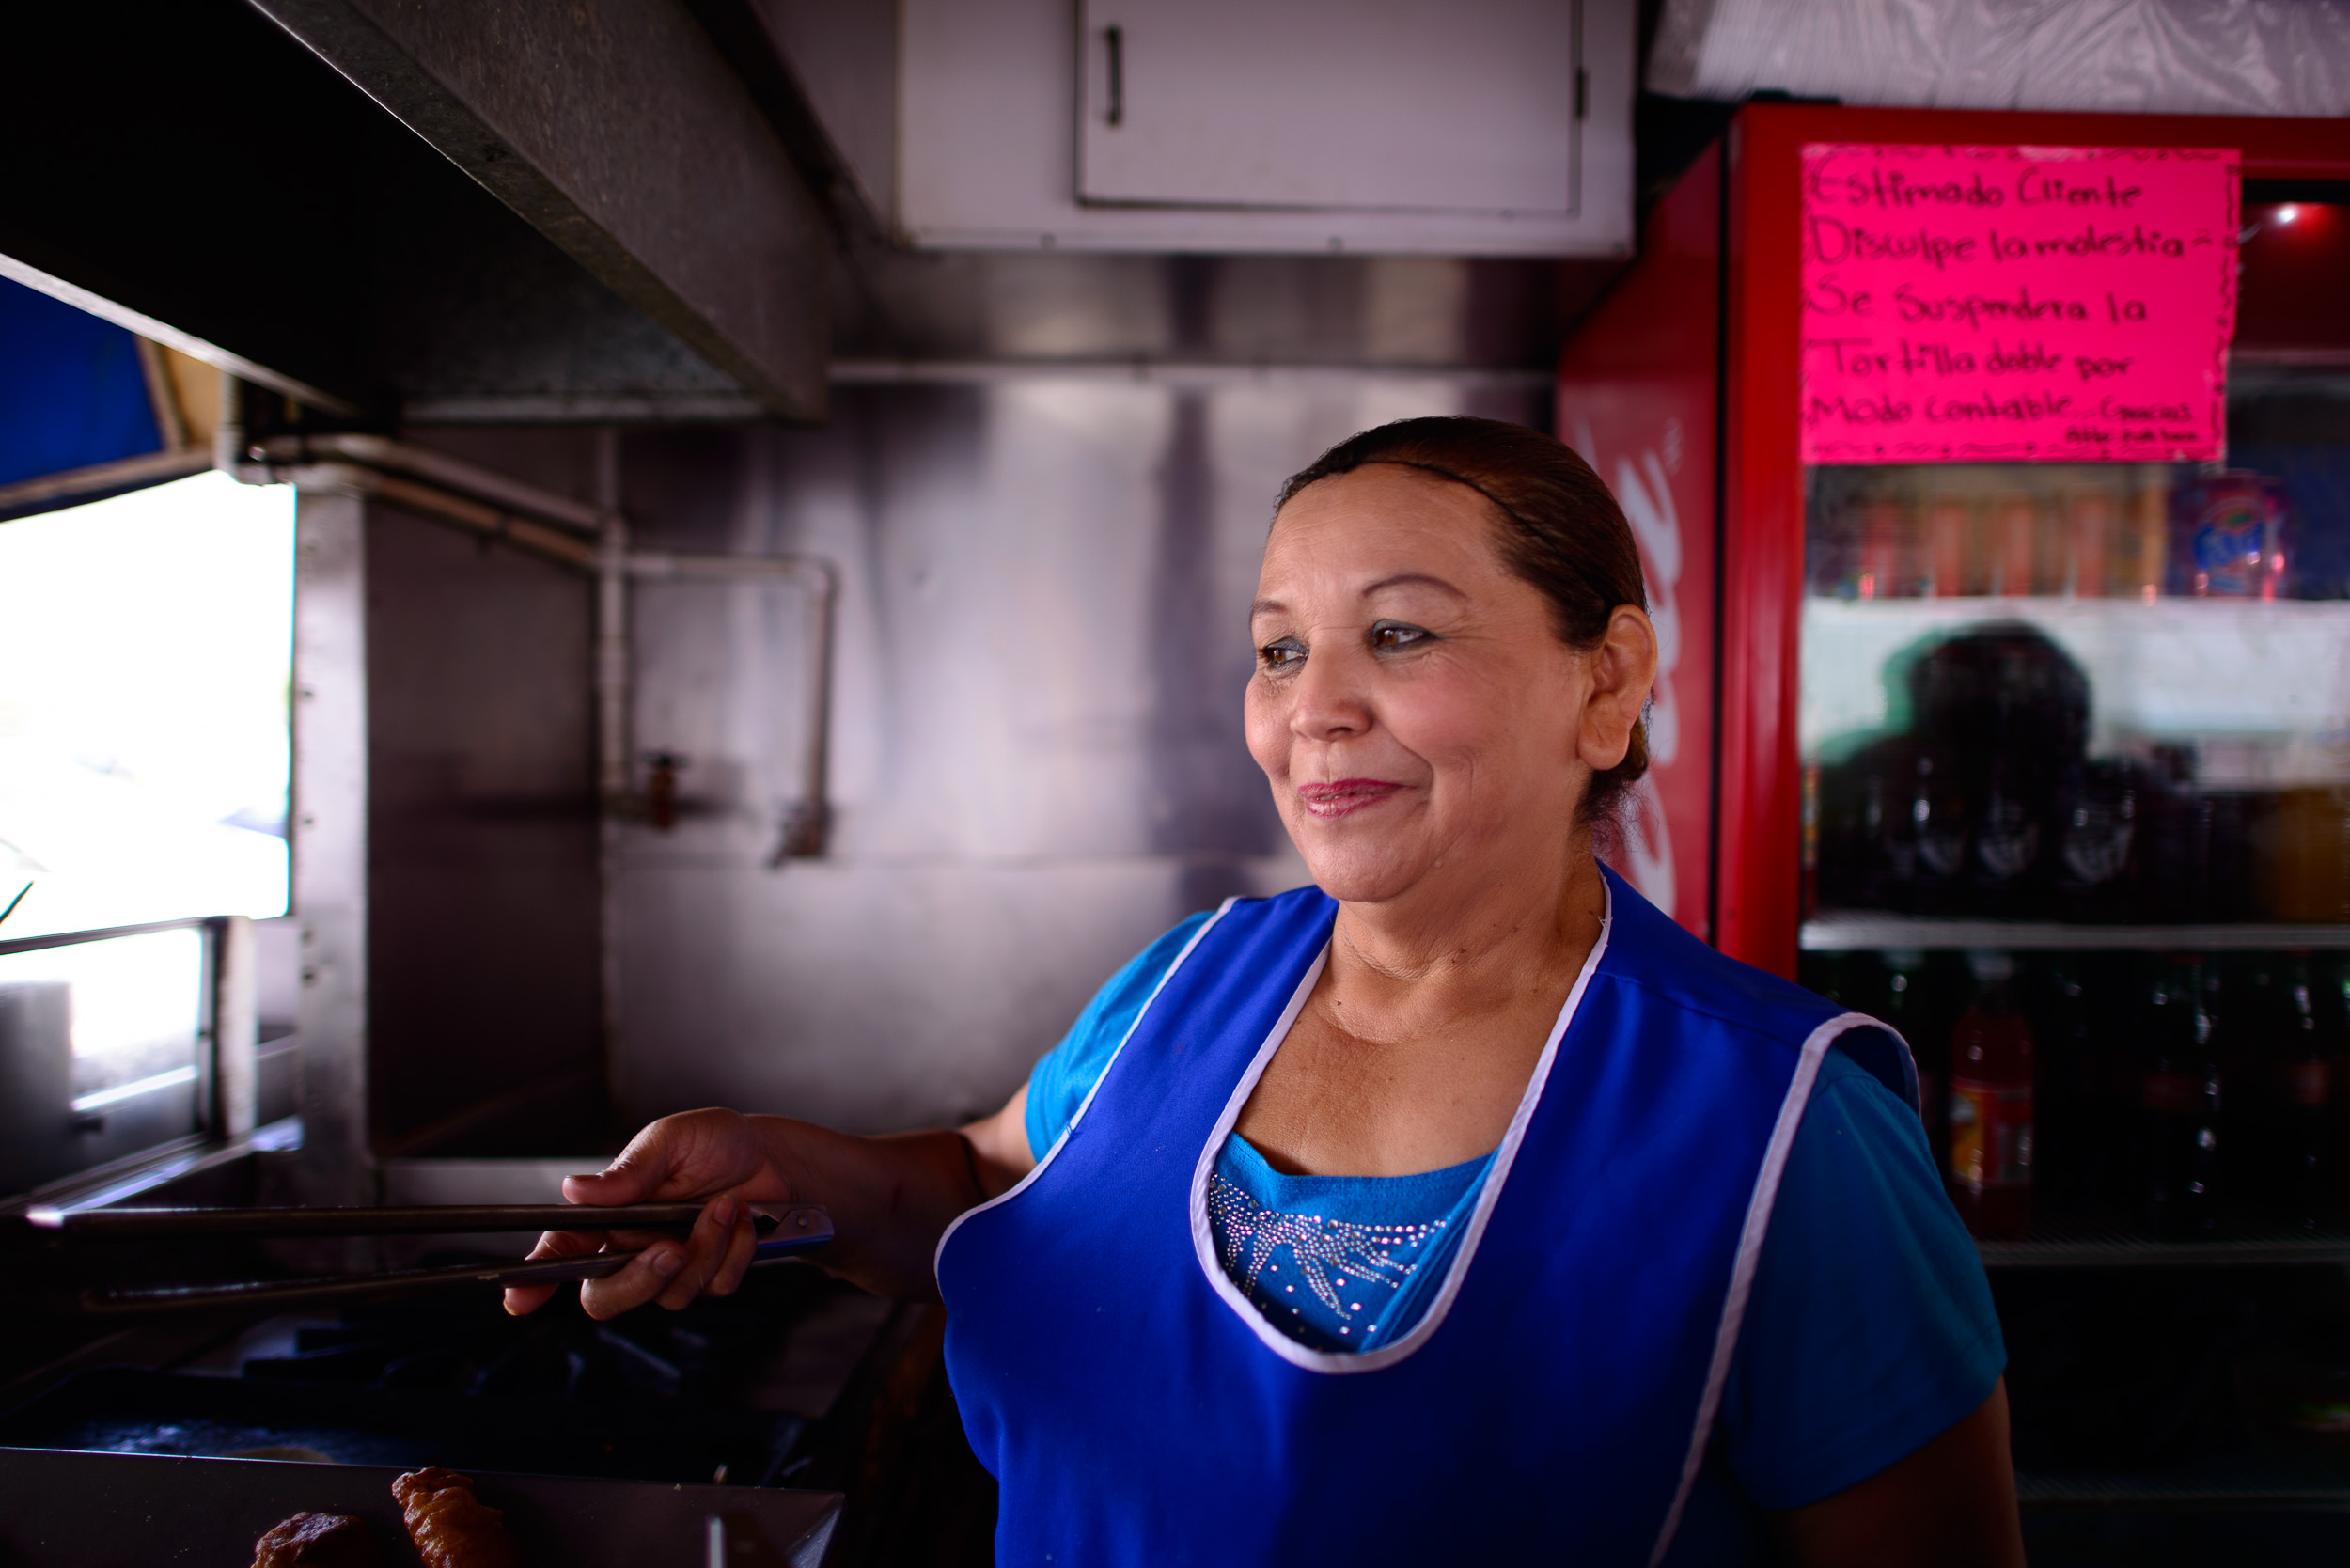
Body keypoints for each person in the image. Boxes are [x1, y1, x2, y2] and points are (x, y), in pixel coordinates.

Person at [509, 416, 2022, 1566]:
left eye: (1402, 635)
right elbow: (993, 1183)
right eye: (1279, 649)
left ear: (1609, 681)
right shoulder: (1188, 985)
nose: (1315, 709)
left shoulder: (1782, 1136)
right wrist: (792, 1176)